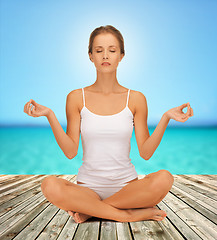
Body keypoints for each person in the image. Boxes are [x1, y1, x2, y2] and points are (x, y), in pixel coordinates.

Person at [23, 25, 194, 224]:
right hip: (87, 189)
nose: (105, 56)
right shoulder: (76, 97)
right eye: (99, 50)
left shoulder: (136, 98)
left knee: (165, 178)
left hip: (127, 188)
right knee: (49, 185)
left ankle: (90, 212)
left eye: (112, 50)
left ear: (121, 55)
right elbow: (70, 151)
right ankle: (126, 214)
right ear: (90, 56)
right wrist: (49, 115)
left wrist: (166, 118)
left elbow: (146, 153)